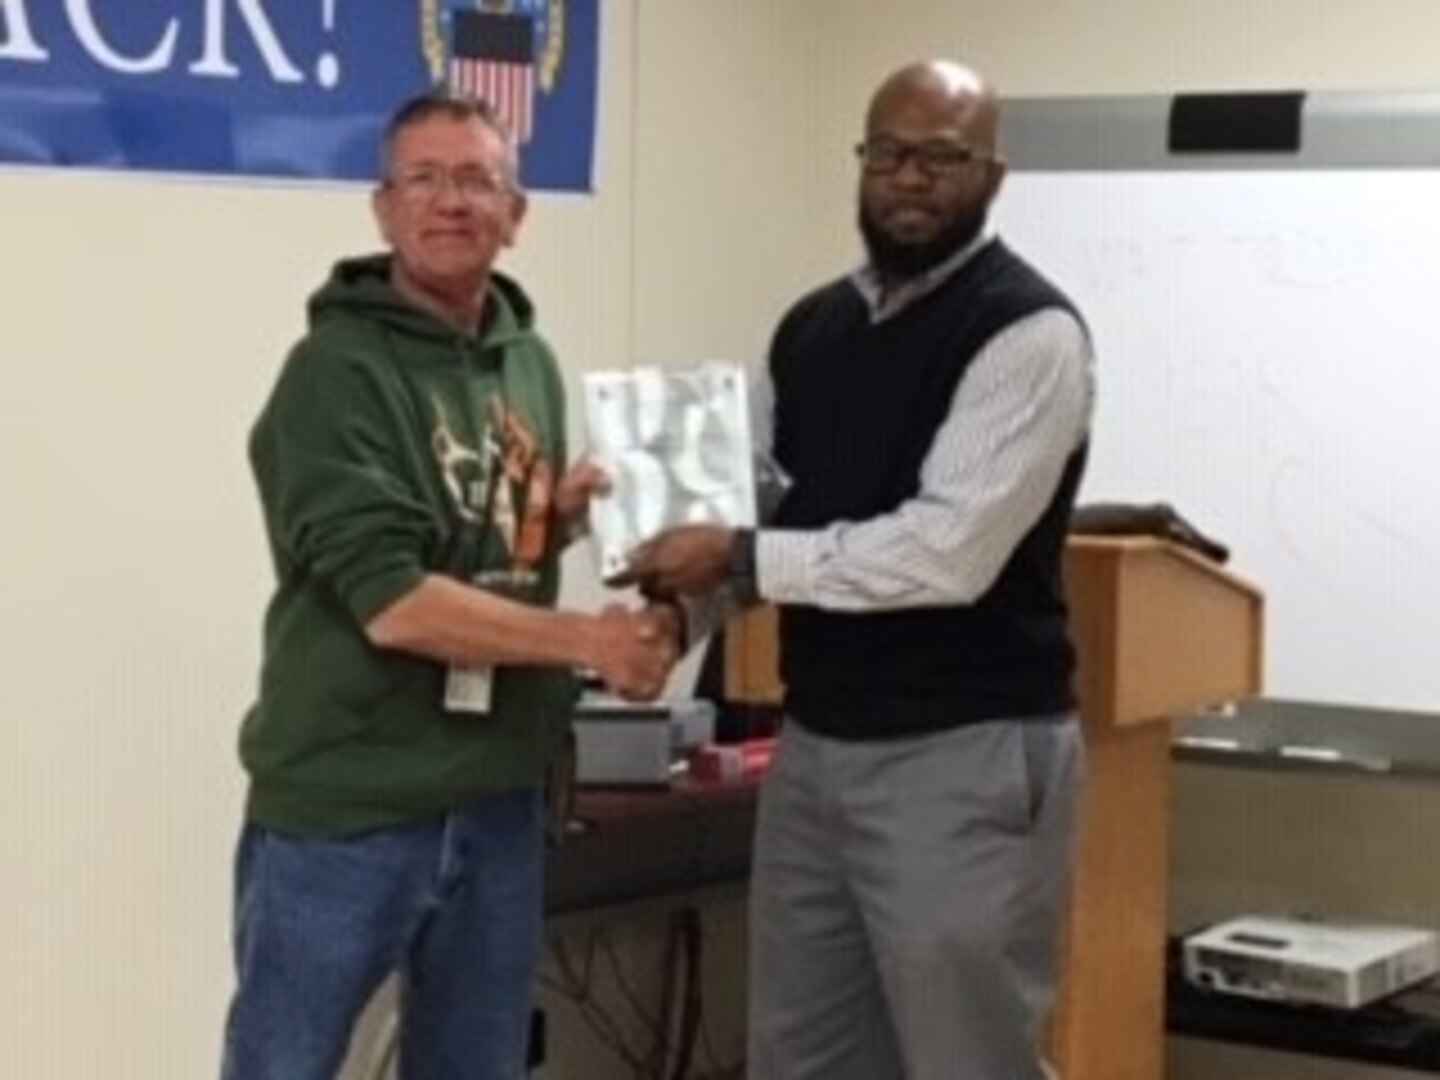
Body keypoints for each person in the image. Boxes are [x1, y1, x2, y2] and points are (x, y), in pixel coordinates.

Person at [619, 60, 1095, 1080]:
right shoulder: (811, 328)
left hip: (964, 754)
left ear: (994, 176)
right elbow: (756, 505)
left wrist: (740, 555)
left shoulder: (1028, 334)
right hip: (818, 749)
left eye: (941, 157)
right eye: (888, 153)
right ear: (864, 163)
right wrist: (672, 619)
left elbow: (944, 551)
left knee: (967, 1057)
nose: (910, 178)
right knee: (803, 1055)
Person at [221, 93, 678, 1080]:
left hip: (496, 799)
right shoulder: (334, 373)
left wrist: (560, 516)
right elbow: (395, 603)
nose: (451, 203)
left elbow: (484, 545)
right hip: (348, 808)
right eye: (423, 179)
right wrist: (591, 644)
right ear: (383, 209)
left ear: (516, 213)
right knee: (283, 1064)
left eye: (477, 180)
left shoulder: (530, 366)